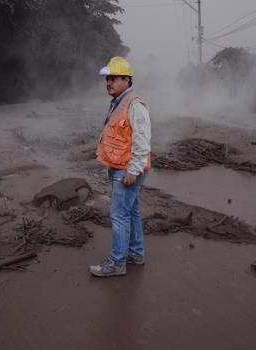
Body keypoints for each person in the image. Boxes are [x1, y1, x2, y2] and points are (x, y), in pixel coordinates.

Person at [89, 57, 151, 277]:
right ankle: (135, 253)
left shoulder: (135, 104)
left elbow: (143, 141)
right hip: (121, 167)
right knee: (131, 212)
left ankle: (117, 263)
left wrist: (133, 170)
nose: (109, 82)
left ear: (127, 79)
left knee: (118, 215)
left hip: (128, 169)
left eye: (114, 78)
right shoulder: (119, 101)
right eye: (108, 78)